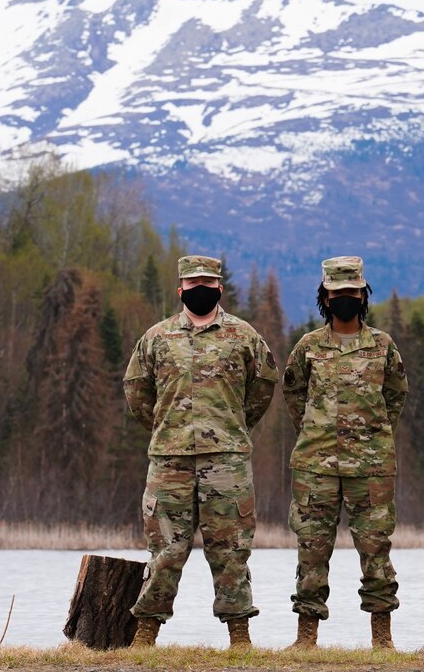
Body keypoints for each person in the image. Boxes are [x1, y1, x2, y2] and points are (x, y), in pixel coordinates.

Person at [123, 255, 279, 649]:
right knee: (165, 553)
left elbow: (262, 389)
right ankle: (145, 636)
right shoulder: (157, 338)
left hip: (226, 461)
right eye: (193, 286)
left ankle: (239, 637)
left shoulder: (244, 337)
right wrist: (166, 428)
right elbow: (137, 392)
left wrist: (232, 426)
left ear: (219, 289)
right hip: (169, 461)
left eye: (208, 285)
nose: (201, 291)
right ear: (181, 291)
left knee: (231, 553)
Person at [281, 256, 408, 650]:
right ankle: (306, 638)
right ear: (325, 297)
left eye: (352, 293)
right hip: (315, 466)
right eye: (337, 294)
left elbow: (395, 396)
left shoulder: (383, 346)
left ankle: (382, 639)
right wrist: (316, 431)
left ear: (363, 295)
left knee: (376, 552)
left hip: (371, 468)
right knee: (311, 551)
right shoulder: (308, 347)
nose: (345, 299)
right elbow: (293, 393)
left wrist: (372, 434)